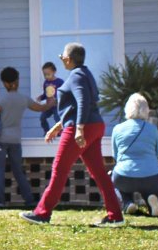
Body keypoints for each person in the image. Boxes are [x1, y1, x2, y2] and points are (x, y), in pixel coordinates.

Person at [20, 42, 124, 227]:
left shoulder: (76, 76)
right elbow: (76, 106)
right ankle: (115, 216)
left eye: (62, 57)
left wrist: (79, 129)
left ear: (68, 59)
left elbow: (82, 101)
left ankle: (42, 213)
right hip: (95, 125)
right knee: (99, 172)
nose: (61, 60)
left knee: (59, 169)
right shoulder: (85, 74)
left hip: (82, 127)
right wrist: (58, 126)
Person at [0, 67, 55, 208]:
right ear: (17, 80)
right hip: (16, 140)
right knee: (18, 171)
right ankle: (29, 199)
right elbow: (40, 108)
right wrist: (51, 101)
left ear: (4, 83)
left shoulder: (0, 99)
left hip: (0, 140)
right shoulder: (23, 99)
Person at [110, 93, 158, 216]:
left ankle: (128, 203)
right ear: (146, 110)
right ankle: (156, 203)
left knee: (116, 183)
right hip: (151, 175)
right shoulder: (153, 129)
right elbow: (157, 154)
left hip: (123, 175)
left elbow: (115, 156)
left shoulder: (117, 129)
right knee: (154, 189)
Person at [37, 61, 64, 133]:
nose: (46, 76)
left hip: (56, 106)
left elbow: (63, 93)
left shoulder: (59, 82)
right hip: (48, 106)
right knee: (42, 118)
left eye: (48, 74)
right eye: (44, 75)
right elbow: (46, 94)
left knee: (57, 119)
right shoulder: (46, 83)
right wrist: (41, 97)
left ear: (54, 72)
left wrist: (58, 100)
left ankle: (60, 133)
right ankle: (46, 131)